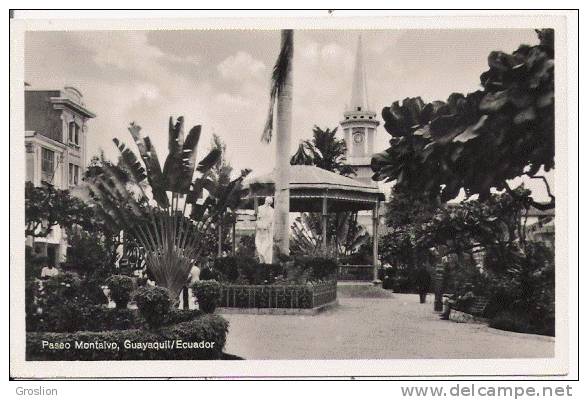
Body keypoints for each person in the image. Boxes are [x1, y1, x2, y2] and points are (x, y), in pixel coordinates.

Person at [255, 196, 274, 264]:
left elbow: (271, 222)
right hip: (260, 231)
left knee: (266, 248)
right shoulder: (260, 208)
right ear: (265, 201)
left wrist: (268, 226)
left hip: (267, 232)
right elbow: (258, 218)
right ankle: (261, 261)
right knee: (259, 246)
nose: (268, 204)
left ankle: (266, 262)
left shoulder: (272, 211)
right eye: (267, 202)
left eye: (270, 203)